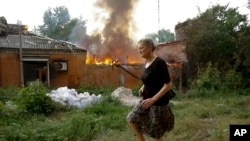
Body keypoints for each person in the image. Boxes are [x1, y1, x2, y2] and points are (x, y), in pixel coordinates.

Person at [126, 38, 174, 141]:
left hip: (158, 104)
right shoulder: (147, 62)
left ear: (149, 47)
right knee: (131, 119)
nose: (139, 51)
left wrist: (153, 99)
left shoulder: (159, 62)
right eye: (138, 48)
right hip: (146, 100)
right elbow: (151, 78)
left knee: (156, 135)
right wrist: (143, 86)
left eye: (141, 48)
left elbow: (168, 85)